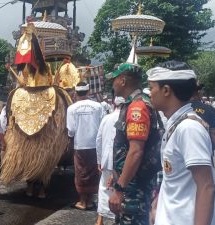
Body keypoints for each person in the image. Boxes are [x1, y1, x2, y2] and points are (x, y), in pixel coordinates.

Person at [147, 62, 215, 225]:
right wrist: (158, 204)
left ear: (166, 90)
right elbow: (175, 178)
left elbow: (206, 187)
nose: (149, 94)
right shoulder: (176, 124)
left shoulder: (189, 128)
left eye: (152, 87)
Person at [106, 63, 161, 225]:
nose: (112, 83)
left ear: (123, 81)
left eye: (114, 79)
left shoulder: (137, 107)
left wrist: (120, 187)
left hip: (134, 186)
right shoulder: (133, 104)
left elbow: (136, 151)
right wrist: (117, 175)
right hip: (131, 181)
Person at [66, 81, 104, 210]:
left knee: (81, 172)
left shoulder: (71, 108)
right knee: (94, 171)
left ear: (76, 93)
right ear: (88, 92)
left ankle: (82, 201)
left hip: (80, 145)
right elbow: (102, 125)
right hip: (95, 144)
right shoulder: (98, 106)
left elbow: (70, 130)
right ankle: (91, 200)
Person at [95, 96, 124, 225]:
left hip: (107, 160)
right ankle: (114, 218)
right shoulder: (126, 118)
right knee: (118, 190)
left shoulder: (106, 118)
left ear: (114, 104)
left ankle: (100, 219)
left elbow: (99, 140)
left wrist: (99, 160)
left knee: (104, 188)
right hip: (121, 162)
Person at [190, 85, 215, 165]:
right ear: (198, 93)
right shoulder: (208, 108)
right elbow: (214, 132)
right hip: (204, 149)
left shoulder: (179, 108)